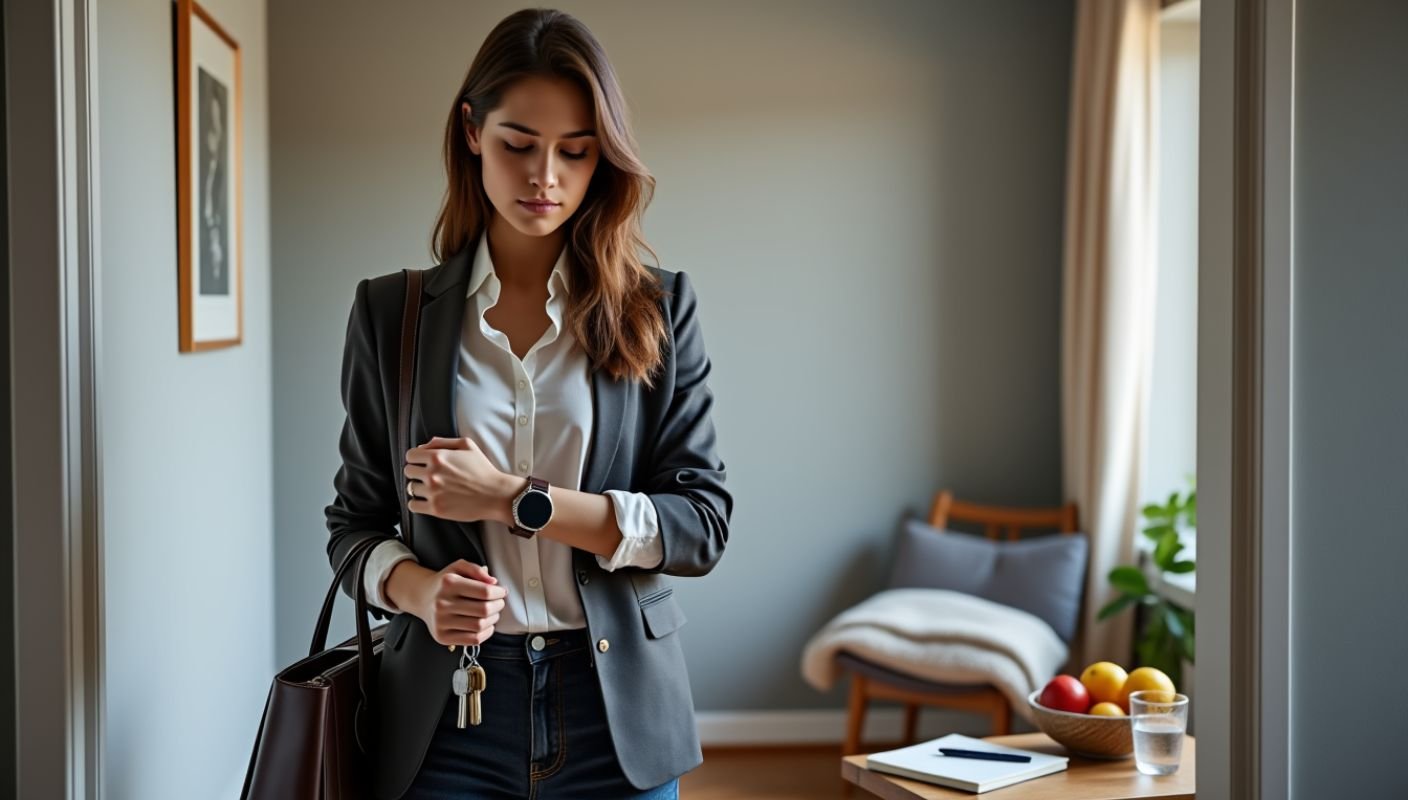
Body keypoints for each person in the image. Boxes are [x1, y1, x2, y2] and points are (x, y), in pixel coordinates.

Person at [323, 7, 731, 800]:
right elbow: (353, 528)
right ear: (472, 131)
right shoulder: (390, 314)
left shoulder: (658, 308)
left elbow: (700, 524)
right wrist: (421, 593)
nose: (545, 177)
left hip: (617, 716)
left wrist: (519, 500)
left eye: (575, 152)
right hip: (445, 719)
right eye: (519, 145)